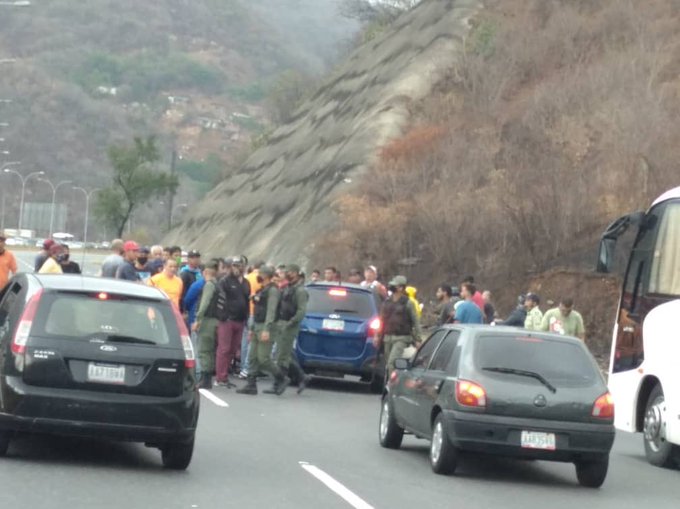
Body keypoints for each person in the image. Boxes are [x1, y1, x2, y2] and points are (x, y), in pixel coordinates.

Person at [236, 265, 288, 396]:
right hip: (257, 325)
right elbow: (258, 310)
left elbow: (271, 311)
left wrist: (267, 329)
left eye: (261, 274)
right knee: (252, 357)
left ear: (266, 275)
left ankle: (281, 378)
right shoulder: (263, 289)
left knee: (263, 358)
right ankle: (251, 384)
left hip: (266, 327)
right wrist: (252, 329)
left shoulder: (273, 291)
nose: (258, 275)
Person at [271, 264, 311, 394]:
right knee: (285, 354)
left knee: (282, 356)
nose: (288, 274)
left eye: (290, 272)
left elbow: (301, 311)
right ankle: (302, 377)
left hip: (289, 325)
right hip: (281, 322)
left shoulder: (300, 291)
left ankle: (279, 383)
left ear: (297, 273)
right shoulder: (288, 288)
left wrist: (290, 323)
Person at [215, 256, 250, 387]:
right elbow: (219, 299)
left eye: (240, 265)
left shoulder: (246, 283)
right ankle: (220, 377)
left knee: (233, 349)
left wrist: (246, 318)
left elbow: (246, 301)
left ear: (244, 267)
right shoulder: (225, 281)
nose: (237, 268)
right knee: (224, 349)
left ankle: (225, 376)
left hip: (240, 320)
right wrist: (223, 316)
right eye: (235, 265)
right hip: (227, 320)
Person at [375, 275, 421, 375]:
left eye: (395, 285)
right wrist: (377, 335)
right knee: (388, 363)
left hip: (401, 338)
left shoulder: (408, 303)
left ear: (401, 288)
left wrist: (418, 339)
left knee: (392, 362)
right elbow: (381, 320)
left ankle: (391, 384)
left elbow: (415, 321)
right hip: (387, 337)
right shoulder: (387, 302)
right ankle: (390, 382)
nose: (392, 286)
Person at [192, 261, 220, 389]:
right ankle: (207, 377)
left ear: (205, 273)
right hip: (217, 320)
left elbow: (204, 303)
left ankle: (205, 379)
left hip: (208, 320)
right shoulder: (218, 285)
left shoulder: (209, 285)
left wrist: (198, 319)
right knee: (210, 349)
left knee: (204, 349)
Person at [239, 260, 263, 379]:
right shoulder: (261, 279)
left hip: (246, 310)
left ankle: (243, 366)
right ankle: (249, 368)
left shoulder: (246, 278)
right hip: (257, 312)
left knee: (244, 340)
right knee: (253, 342)